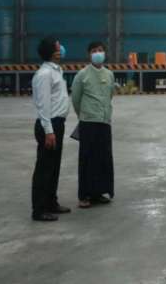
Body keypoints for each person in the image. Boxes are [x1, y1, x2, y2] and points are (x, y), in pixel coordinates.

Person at [30, 37, 71, 222]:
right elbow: (43, 105)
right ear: (52, 51)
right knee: (44, 169)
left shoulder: (56, 70)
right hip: (49, 125)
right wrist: (48, 131)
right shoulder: (44, 74)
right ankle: (39, 210)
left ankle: (51, 202)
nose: (61, 48)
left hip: (57, 124)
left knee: (53, 167)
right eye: (58, 46)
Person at [71, 41, 116, 209]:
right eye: (94, 51)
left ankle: (99, 192)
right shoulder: (82, 75)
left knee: (103, 158)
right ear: (89, 54)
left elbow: (110, 95)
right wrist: (84, 114)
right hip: (88, 122)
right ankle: (84, 195)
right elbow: (76, 99)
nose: (98, 53)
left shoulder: (109, 74)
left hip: (104, 121)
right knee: (87, 159)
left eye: (101, 50)